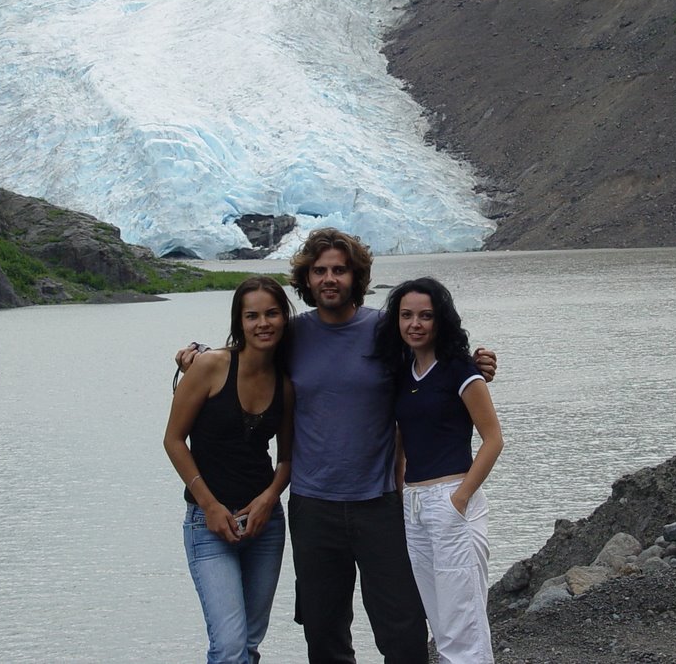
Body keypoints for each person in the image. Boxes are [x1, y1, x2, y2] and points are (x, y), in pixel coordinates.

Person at [177, 227, 496, 663]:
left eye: (340, 270)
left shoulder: (386, 331)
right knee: (324, 635)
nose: (330, 278)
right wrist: (194, 352)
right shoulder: (292, 334)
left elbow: (435, 357)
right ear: (306, 279)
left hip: (381, 502)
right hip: (314, 506)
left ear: (356, 277)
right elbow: (245, 348)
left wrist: (476, 363)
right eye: (320, 270)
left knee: (401, 629)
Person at [164, 275, 295, 664]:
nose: (263, 324)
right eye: (252, 315)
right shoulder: (209, 367)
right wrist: (208, 505)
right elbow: (173, 440)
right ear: (239, 322)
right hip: (208, 524)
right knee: (229, 645)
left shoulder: (285, 384)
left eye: (272, 314)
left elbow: (286, 458)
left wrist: (269, 500)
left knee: (248, 645)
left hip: (264, 525)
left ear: (284, 319)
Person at [375, 277, 504, 664]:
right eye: (407, 315)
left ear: (440, 320)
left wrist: (459, 499)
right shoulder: (403, 373)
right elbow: (401, 440)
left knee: (462, 620)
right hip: (414, 503)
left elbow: (493, 439)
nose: (415, 323)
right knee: (439, 618)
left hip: (451, 498)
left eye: (426, 316)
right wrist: (401, 493)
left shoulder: (459, 370)